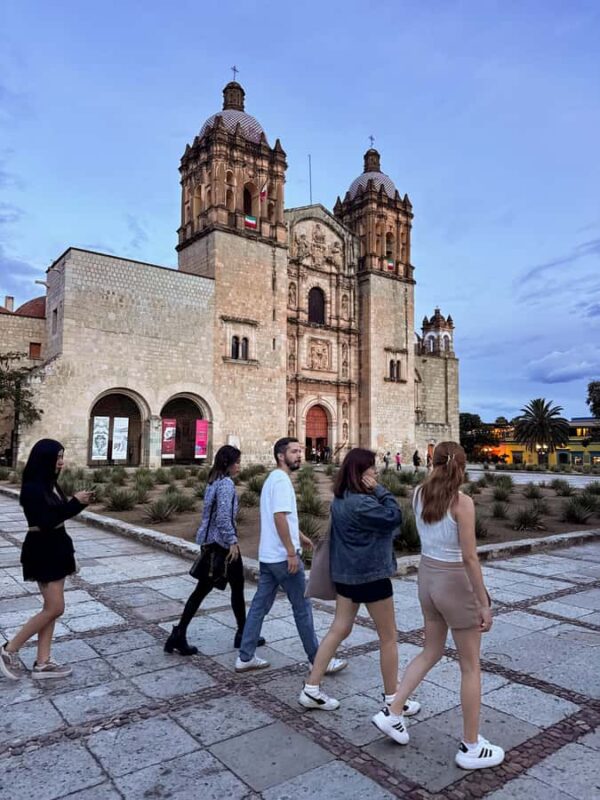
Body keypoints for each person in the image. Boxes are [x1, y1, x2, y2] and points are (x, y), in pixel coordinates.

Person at [372, 441, 504, 770]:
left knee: (430, 650)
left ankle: (394, 710)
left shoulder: (418, 494)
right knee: (470, 666)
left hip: (427, 578)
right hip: (454, 582)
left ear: (432, 462)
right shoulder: (462, 503)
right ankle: (471, 746)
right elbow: (470, 558)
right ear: (461, 466)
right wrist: (483, 600)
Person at [298, 448, 420, 718]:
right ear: (360, 472)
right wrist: (380, 490)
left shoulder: (340, 499)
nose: (375, 472)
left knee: (338, 629)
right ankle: (393, 699)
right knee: (389, 637)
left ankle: (311, 687)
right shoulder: (363, 502)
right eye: (372, 468)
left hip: (345, 576)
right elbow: (394, 516)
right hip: (370, 575)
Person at [236, 437, 346, 675]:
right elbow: (279, 517)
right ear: (280, 456)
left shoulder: (272, 479)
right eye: (294, 451)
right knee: (302, 607)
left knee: (259, 606)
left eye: (300, 451)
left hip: (268, 556)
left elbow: (282, 516)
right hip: (282, 558)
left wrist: (301, 536)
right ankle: (318, 660)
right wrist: (290, 551)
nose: (299, 455)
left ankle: (245, 656)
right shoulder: (282, 481)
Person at [0, 439, 92, 681]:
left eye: (62, 457)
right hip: (43, 549)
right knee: (55, 607)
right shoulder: (32, 488)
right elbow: (44, 520)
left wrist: (78, 505)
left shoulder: (50, 484)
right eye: (57, 457)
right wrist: (74, 502)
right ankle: (9, 649)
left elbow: (59, 516)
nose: (61, 462)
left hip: (57, 547)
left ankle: (43, 662)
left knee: (51, 609)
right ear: (45, 459)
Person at [164, 445, 265, 655]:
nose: (239, 466)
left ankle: (239, 633)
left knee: (222, 588)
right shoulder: (226, 484)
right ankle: (182, 634)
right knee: (219, 589)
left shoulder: (213, 480)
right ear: (227, 463)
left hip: (211, 543)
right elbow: (222, 518)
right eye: (237, 462)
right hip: (223, 547)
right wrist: (233, 541)